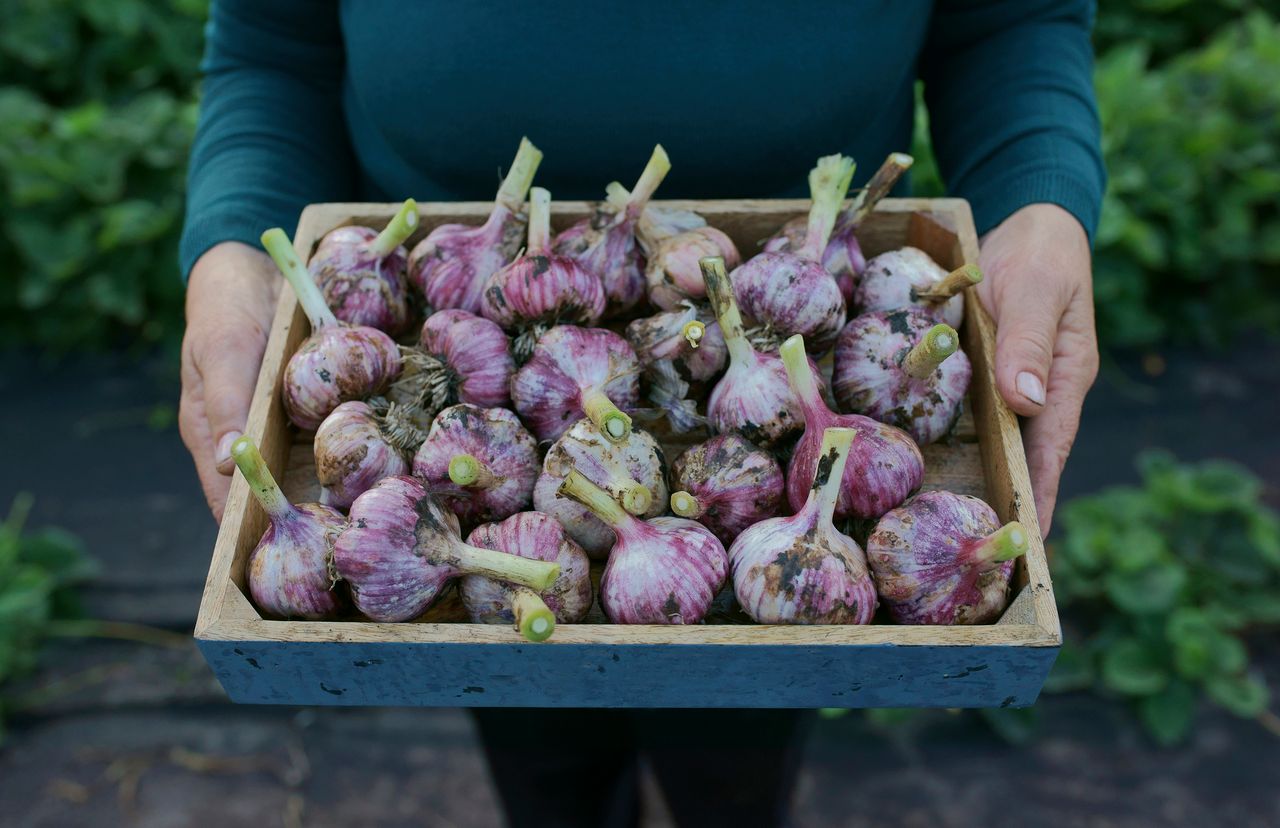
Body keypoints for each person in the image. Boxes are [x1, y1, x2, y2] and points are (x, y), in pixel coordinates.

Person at [178, 2, 1104, 825]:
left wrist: (1041, 199)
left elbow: (1013, 21)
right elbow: (272, 48)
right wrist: (237, 233)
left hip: (743, 365)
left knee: (742, 745)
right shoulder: (481, 415)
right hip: (467, 389)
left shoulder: (725, 381)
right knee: (533, 738)